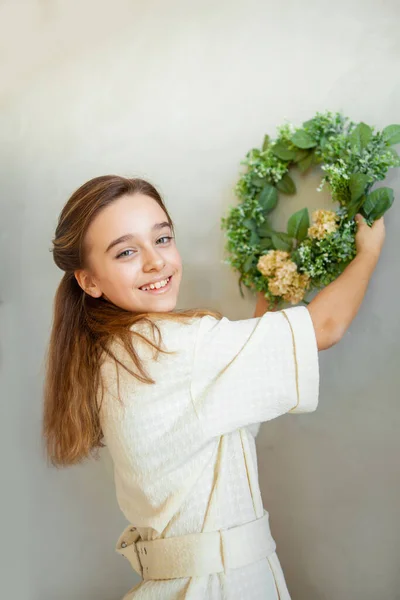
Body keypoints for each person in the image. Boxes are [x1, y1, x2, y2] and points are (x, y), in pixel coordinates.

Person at [43, 175, 385, 600]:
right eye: (127, 251)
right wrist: (367, 254)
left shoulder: (116, 355)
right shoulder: (170, 349)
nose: (156, 262)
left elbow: (220, 410)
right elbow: (326, 327)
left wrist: (267, 305)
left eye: (163, 238)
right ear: (89, 280)